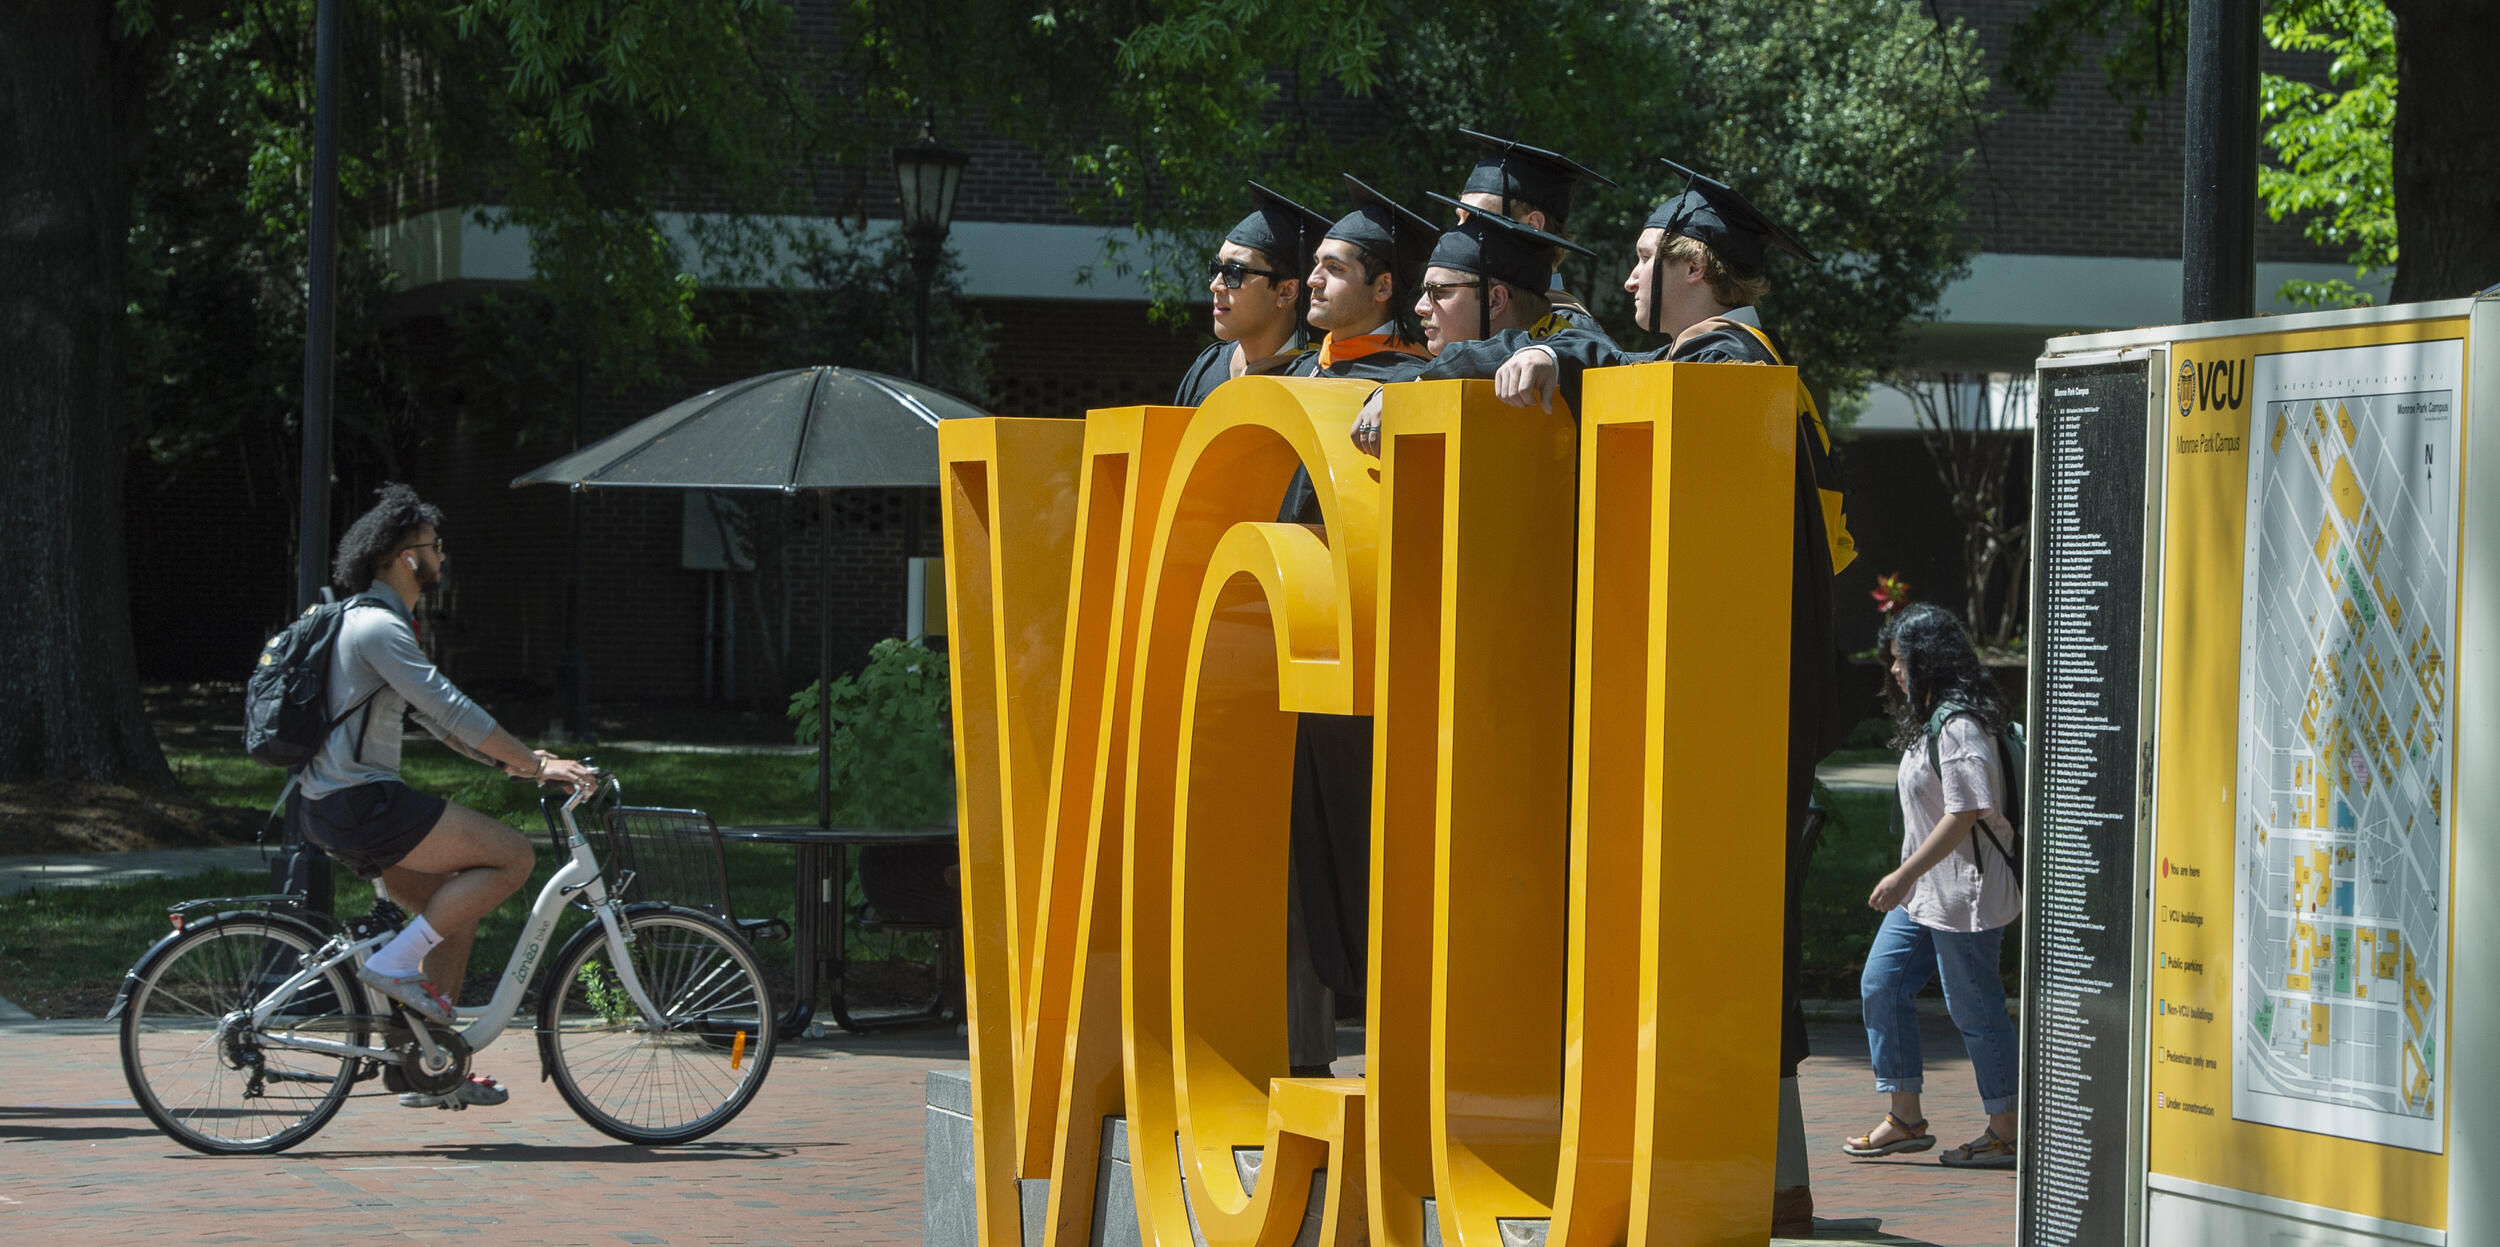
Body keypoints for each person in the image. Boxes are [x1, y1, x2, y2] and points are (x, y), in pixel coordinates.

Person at [1424, 161, 1855, 1232]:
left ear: (1694, 267)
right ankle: (1773, 1182)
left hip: (1719, 705)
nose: (1624, 283)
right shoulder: (1752, 370)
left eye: (1642, 261)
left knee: (1708, 947)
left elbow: (1606, 366)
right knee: (1736, 948)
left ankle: (1734, 1181)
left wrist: (1539, 354)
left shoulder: (1716, 373)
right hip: (1750, 696)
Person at [296, 483, 595, 1108]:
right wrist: (537, 766)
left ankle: (427, 1066)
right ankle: (391, 968)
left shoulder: (364, 622)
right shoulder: (379, 627)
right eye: (435, 547)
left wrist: (519, 762)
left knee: (451, 914)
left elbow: (436, 724)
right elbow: (453, 709)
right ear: (408, 556)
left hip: (333, 807)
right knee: (513, 856)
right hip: (361, 802)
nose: (441, 557)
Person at [1845, 603, 2021, 1169]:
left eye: (1901, 661)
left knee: (1976, 1008)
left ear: (1928, 660)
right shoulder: (1930, 718)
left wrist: (1902, 874)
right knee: (1882, 984)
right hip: (1927, 894)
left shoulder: (1960, 724)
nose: (1894, 671)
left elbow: (1967, 810)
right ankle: (1906, 1118)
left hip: (1963, 894)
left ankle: (2007, 1129)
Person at [1449, 128, 1617, 342]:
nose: (1459, 232)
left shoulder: (1570, 332)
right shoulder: (1465, 315)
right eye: (1460, 218)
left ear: (1533, 226)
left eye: (1478, 218)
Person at [1173, 182, 1331, 407]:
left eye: (1234, 273)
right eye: (1216, 269)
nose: (1216, 285)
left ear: (1287, 292)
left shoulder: (1316, 380)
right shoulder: (1208, 367)